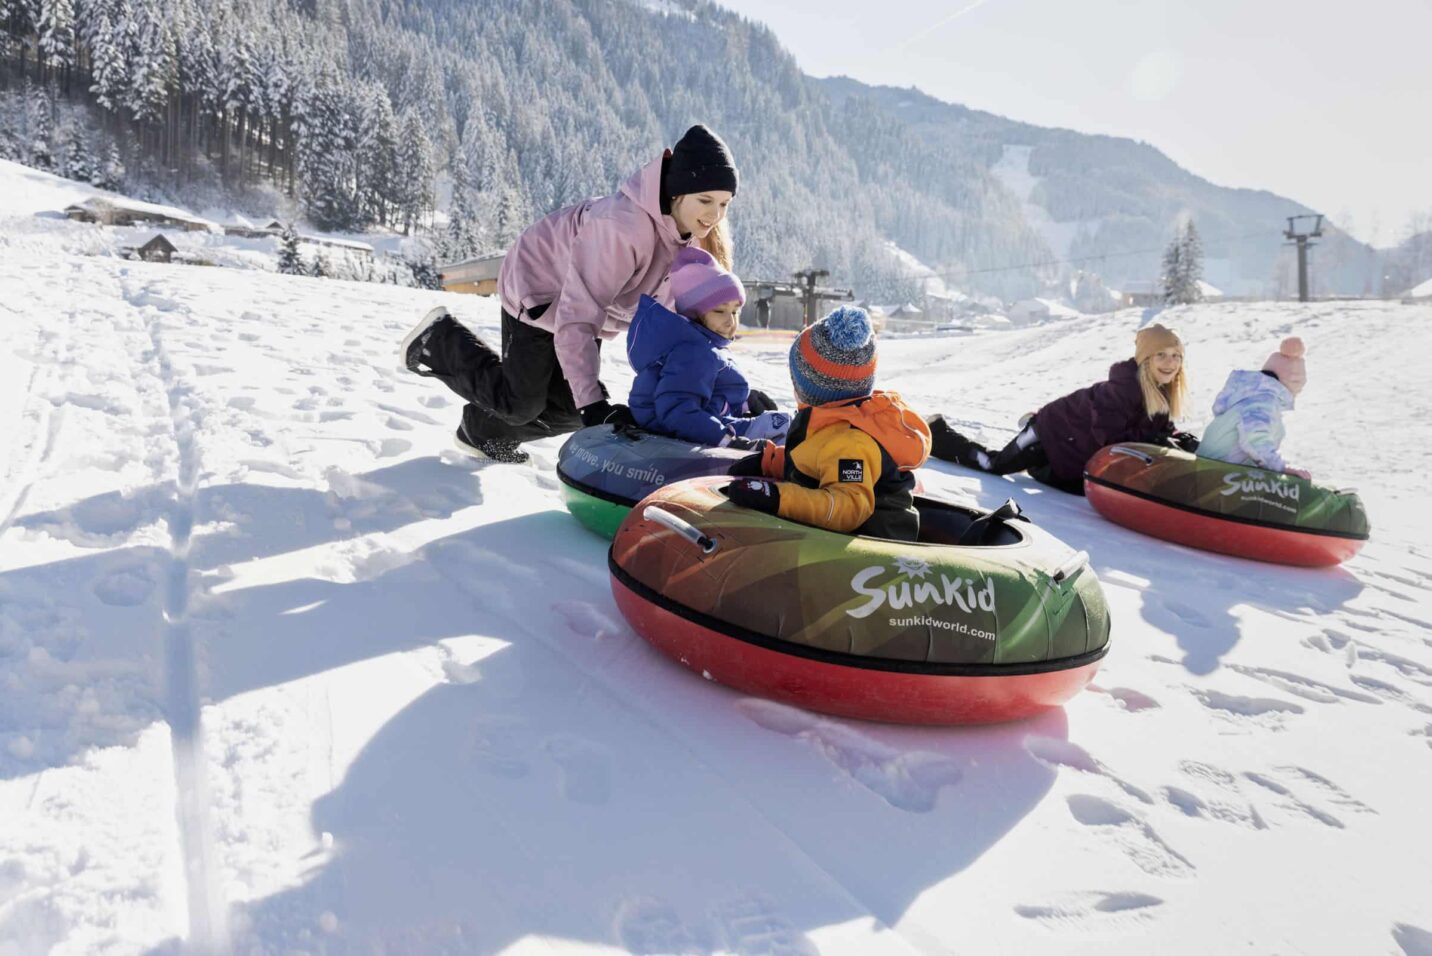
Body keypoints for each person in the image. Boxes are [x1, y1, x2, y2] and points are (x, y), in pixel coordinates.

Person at [400, 124, 768, 463]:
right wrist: (593, 404)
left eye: (724, 204)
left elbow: (695, 329)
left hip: (590, 308)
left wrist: (734, 392)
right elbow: (578, 316)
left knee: (567, 409)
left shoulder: (692, 238)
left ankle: (480, 431)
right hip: (540, 284)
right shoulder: (622, 230)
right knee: (524, 403)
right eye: (705, 200)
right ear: (677, 192)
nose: (715, 214)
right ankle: (439, 341)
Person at [721, 306, 931, 541]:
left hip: (871, 555)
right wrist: (773, 462)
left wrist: (778, 497)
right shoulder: (826, 421)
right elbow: (815, 461)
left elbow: (847, 507)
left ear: (812, 392)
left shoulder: (852, 444)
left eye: (795, 381)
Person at [927, 323, 1196, 494]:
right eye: (1161, 355)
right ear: (1145, 360)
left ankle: (1035, 454)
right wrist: (1155, 440)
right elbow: (1110, 439)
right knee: (993, 465)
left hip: (1071, 448)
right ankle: (935, 433)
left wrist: (1178, 437)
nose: (1169, 363)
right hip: (1049, 432)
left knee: (1071, 486)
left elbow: (1158, 428)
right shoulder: (1121, 390)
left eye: (1176, 356)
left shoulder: (1159, 393)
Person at [625, 247, 790, 447]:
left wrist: (745, 401)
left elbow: (708, 397)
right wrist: (727, 441)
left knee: (781, 423)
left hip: (710, 425)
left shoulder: (702, 346)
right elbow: (677, 410)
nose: (731, 322)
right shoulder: (695, 352)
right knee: (785, 428)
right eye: (720, 311)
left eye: (735, 312)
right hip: (704, 434)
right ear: (695, 314)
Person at [1198, 336, 1311, 479]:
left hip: (1209, 468)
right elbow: (1256, 438)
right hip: (1217, 475)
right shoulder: (1263, 402)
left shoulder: (1248, 397)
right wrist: (1281, 468)